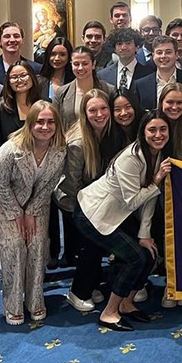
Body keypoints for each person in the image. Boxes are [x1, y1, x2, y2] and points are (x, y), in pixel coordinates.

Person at [74, 111, 173, 331]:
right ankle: (109, 312)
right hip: (92, 214)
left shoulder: (158, 154)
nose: (158, 134)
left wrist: (144, 235)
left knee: (148, 254)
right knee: (135, 258)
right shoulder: (131, 157)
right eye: (152, 130)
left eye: (163, 129)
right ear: (143, 132)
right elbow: (133, 201)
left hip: (114, 214)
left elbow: (149, 197)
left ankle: (127, 304)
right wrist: (157, 180)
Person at [0, 100, 67, 325]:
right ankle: (12, 304)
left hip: (37, 204)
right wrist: (16, 213)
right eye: (40, 121)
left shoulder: (60, 149)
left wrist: (31, 211)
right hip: (4, 202)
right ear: (30, 123)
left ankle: (35, 300)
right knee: (14, 244)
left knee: (38, 241)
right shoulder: (11, 149)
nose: (45, 127)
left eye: (50, 122)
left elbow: (49, 184)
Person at [58, 89, 128, 313]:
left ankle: (101, 281)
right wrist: (97, 212)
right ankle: (78, 291)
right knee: (94, 239)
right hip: (75, 202)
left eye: (103, 108)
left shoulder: (114, 134)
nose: (99, 114)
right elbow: (71, 186)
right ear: (84, 113)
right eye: (93, 110)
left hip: (102, 201)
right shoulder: (77, 142)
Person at [53, 47, 114, 131]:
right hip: (71, 142)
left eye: (85, 63)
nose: (80, 68)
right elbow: (56, 123)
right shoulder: (61, 93)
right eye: (76, 64)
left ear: (93, 64)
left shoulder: (109, 90)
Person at [136, 36, 182, 111]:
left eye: (168, 52)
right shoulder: (140, 85)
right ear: (153, 56)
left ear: (176, 55)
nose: (163, 56)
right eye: (159, 53)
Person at [0, 61, 42, 147]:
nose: (19, 80)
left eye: (23, 75)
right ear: (9, 82)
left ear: (32, 77)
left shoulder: (44, 104)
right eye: (14, 77)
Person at [97, 28, 149, 96]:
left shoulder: (148, 74)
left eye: (128, 43)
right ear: (114, 49)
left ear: (137, 47)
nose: (124, 47)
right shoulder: (102, 75)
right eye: (119, 44)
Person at [38, 37, 75, 101]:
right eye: (53, 54)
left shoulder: (75, 82)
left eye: (62, 54)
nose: (57, 58)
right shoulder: (39, 81)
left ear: (69, 57)